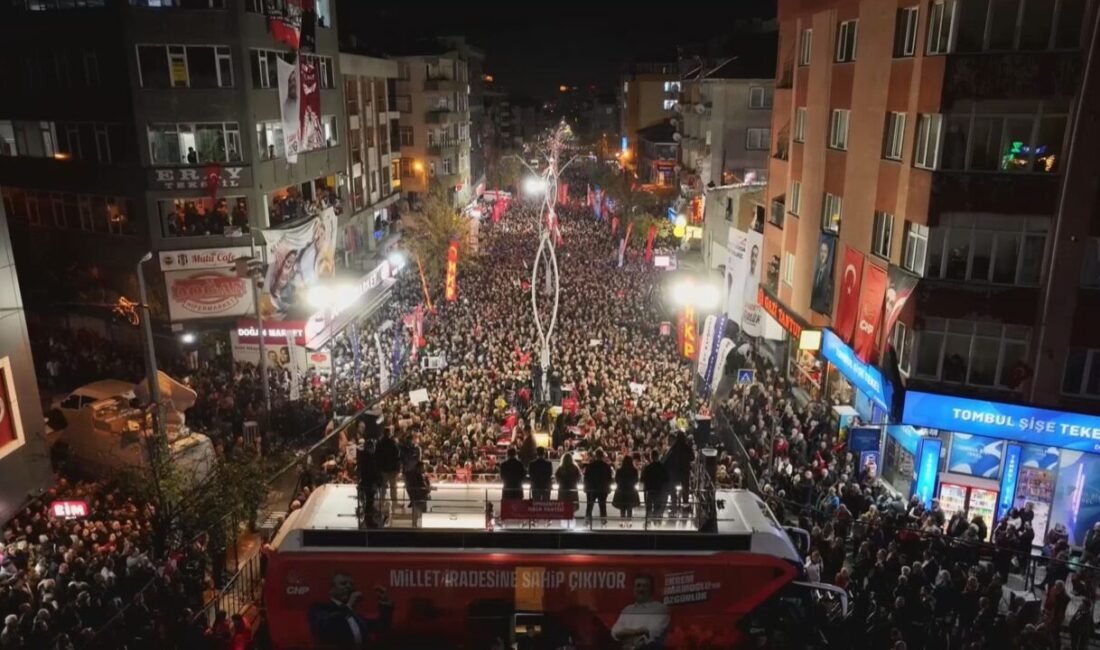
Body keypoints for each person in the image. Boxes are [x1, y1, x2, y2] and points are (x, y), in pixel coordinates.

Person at [308, 574, 393, 650]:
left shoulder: (357, 617)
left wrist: (384, 602)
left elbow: (382, 627)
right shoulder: (319, 609)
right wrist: (349, 606)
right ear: (331, 590)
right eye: (343, 584)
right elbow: (326, 628)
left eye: (351, 584)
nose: (348, 587)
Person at [610, 575, 670, 650]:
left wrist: (625, 634)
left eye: (645, 586)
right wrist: (637, 632)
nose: (641, 589)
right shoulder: (628, 609)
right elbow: (615, 632)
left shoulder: (660, 608)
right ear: (634, 589)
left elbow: (653, 632)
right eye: (638, 586)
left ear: (652, 589)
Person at [583, 448, 613, 523]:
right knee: (603, 506)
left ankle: (587, 520)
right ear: (602, 456)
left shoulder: (590, 466)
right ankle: (603, 521)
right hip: (602, 489)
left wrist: (586, 487)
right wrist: (608, 488)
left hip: (591, 489)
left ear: (595, 456)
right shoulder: (606, 466)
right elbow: (609, 478)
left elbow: (586, 478)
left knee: (589, 506)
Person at [375, 429, 400, 511]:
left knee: (384, 487)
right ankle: (394, 502)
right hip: (390, 469)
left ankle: (383, 502)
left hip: (384, 469)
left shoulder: (380, 443)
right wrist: (397, 468)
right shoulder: (392, 443)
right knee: (392, 487)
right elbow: (397, 457)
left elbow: (377, 457)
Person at [613, 455, 640, 524]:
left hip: (621, 490)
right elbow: (636, 480)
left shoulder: (619, 470)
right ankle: (629, 522)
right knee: (629, 507)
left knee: (622, 507)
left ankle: (622, 521)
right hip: (631, 490)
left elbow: (616, 480)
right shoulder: (634, 471)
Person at [641, 450, 668, 519]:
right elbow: (666, 478)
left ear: (651, 457)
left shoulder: (648, 468)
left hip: (650, 490)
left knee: (649, 507)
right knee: (657, 505)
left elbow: (642, 479)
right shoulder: (662, 467)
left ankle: (648, 522)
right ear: (658, 457)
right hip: (659, 489)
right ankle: (656, 521)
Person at [810, 239, 834, 315]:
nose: (822, 255)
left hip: (822, 308)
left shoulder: (828, 273)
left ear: (828, 254)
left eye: (825, 252)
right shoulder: (817, 271)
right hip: (815, 305)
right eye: (821, 251)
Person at [405, 461, 431, 528]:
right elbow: (418, 487)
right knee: (418, 512)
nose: (424, 469)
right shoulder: (416, 476)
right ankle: (416, 525)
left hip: (420, 496)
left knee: (420, 512)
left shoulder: (421, 476)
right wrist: (427, 489)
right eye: (423, 467)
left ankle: (417, 525)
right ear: (419, 468)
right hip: (418, 497)